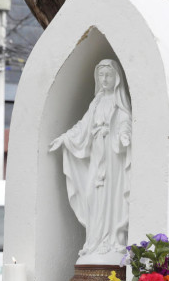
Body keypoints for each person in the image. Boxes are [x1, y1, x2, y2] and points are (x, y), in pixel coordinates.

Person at [49, 58, 132, 265]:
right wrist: (66, 138)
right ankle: (95, 241)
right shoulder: (96, 103)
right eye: (101, 75)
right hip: (97, 155)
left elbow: (125, 122)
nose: (104, 79)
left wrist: (124, 135)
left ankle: (113, 240)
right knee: (93, 196)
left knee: (112, 196)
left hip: (113, 158)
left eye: (108, 75)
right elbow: (83, 126)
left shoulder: (119, 103)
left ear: (117, 78)